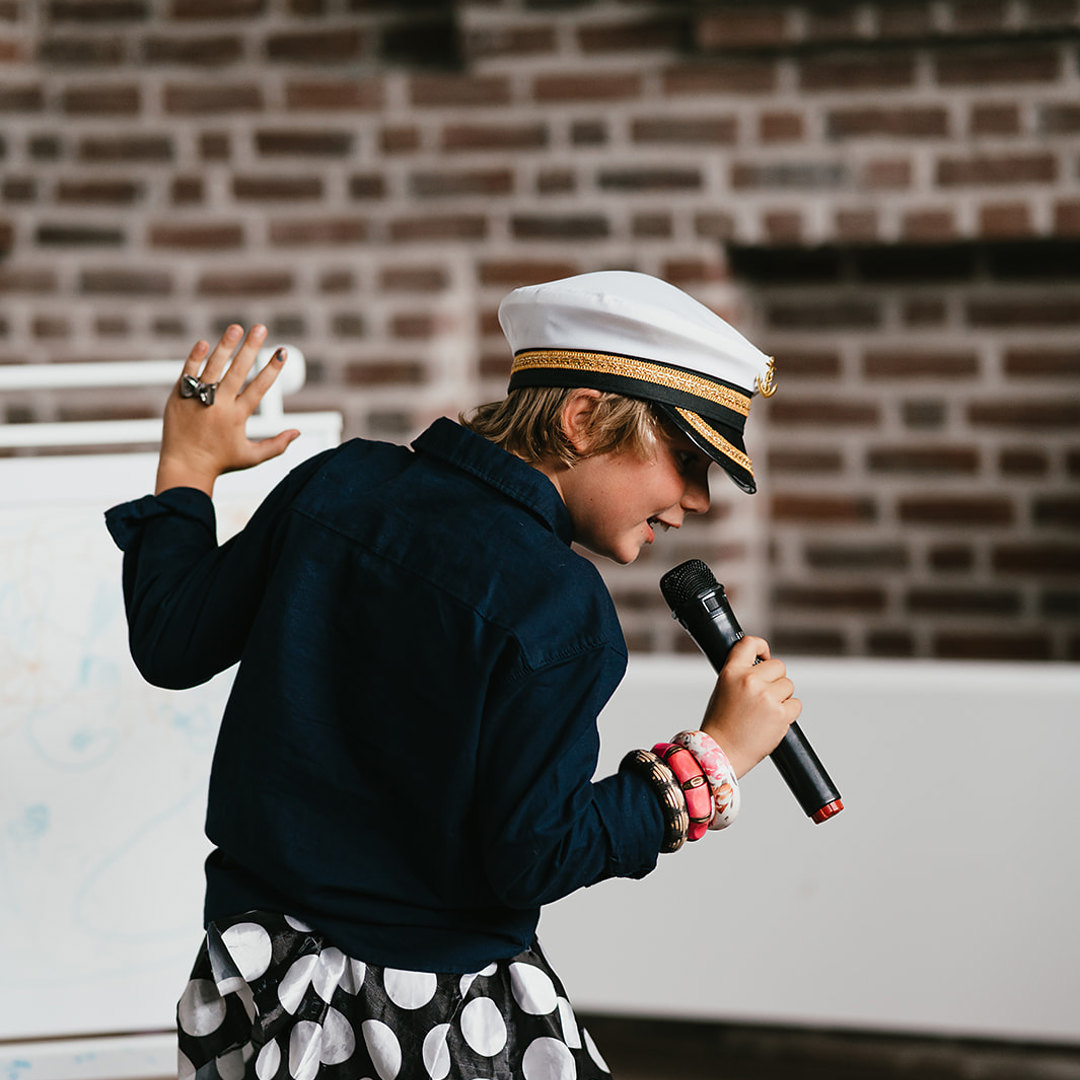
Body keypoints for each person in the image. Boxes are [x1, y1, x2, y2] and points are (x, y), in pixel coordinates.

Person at [105, 271, 799, 1080]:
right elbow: (531, 857)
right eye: (687, 458)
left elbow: (171, 640)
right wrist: (709, 761)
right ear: (582, 417)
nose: (697, 499)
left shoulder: (340, 484)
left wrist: (187, 467)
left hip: (256, 989)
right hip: (427, 1019)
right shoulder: (561, 608)